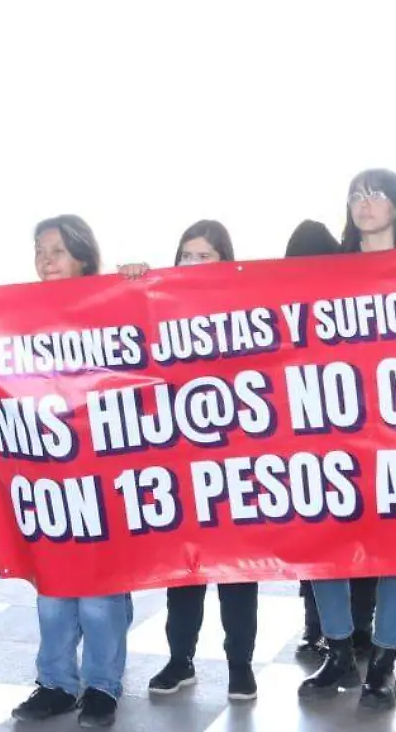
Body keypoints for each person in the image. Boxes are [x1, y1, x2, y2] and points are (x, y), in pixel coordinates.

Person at [5, 216, 132, 728]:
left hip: (103, 472)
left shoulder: (111, 305)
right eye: (39, 250)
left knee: (101, 590)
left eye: (57, 250)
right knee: (54, 587)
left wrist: (136, 280)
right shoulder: (19, 312)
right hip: (48, 473)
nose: (46, 259)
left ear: (83, 255)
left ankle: (102, 685)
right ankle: (55, 681)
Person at [125, 221, 260, 704]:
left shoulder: (248, 310)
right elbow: (112, 322)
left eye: (206, 255)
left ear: (226, 260)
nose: (195, 264)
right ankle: (179, 658)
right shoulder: (160, 307)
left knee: (239, 570)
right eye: (187, 255)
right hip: (181, 460)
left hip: (237, 462)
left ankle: (240, 665)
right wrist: (134, 280)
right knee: (184, 568)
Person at [301, 170, 396, 708]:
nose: (363, 203)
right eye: (355, 194)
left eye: (375, 194)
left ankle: (385, 661)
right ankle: (340, 652)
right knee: (324, 543)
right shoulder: (325, 271)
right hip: (334, 427)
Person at [279, 220, 348, 658]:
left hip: (313, 435)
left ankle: (319, 624)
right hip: (327, 433)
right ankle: (346, 626)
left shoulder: (286, 298)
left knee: (319, 531)